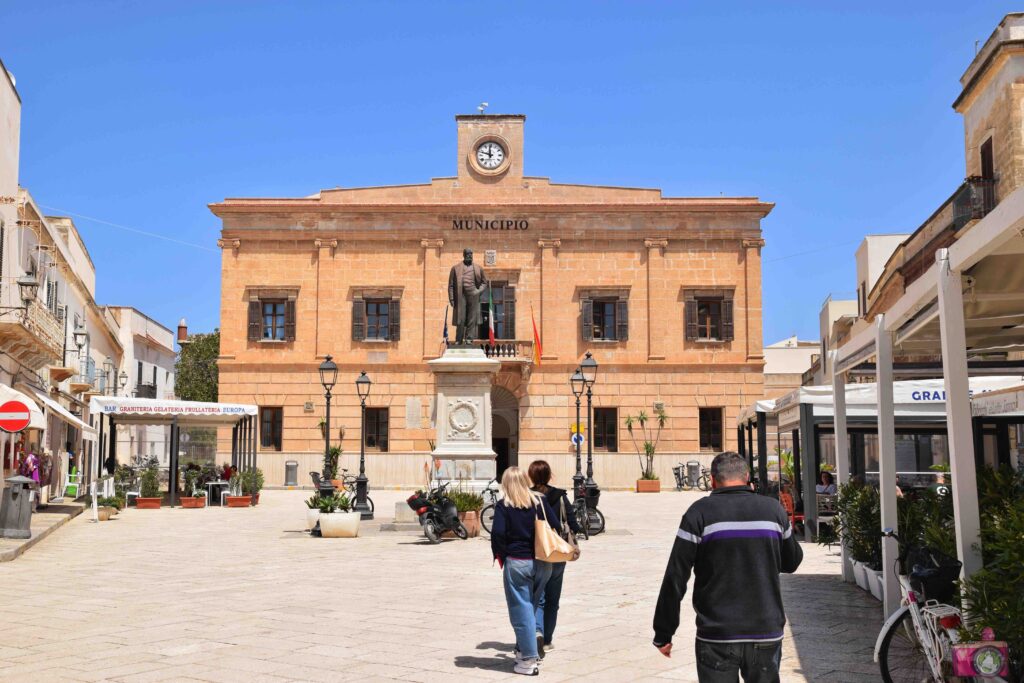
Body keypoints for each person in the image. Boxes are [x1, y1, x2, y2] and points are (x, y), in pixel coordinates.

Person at [652, 451, 803, 682]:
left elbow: (676, 576)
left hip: (717, 634)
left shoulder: (699, 513)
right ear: (747, 478)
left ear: (713, 480)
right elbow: (792, 562)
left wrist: (664, 632)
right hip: (765, 630)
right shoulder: (773, 511)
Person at [490, 466, 561, 676]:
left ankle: (529, 659)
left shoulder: (504, 506)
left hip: (518, 561)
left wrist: (502, 556)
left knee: (520, 609)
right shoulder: (539, 501)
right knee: (530, 606)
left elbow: (498, 535)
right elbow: (555, 524)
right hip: (542, 562)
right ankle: (523, 650)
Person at [528, 460, 581, 653]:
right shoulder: (560, 496)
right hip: (558, 552)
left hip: (538, 552)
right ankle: (548, 639)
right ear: (550, 475)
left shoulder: (528, 497)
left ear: (531, 477)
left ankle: (537, 632)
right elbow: (573, 523)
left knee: (538, 597)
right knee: (553, 599)